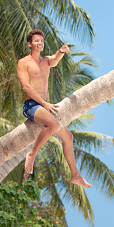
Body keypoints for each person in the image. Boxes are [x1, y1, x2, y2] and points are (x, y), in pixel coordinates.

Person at [17, 29, 92, 188]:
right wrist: (44, 104)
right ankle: (32, 153)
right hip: (31, 105)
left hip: (43, 106)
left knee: (68, 138)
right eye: (37, 40)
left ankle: (75, 175)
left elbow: (55, 60)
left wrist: (61, 52)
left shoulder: (45, 61)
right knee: (54, 124)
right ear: (30, 44)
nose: (40, 43)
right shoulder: (23, 62)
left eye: (42, 41)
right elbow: (26, 87)